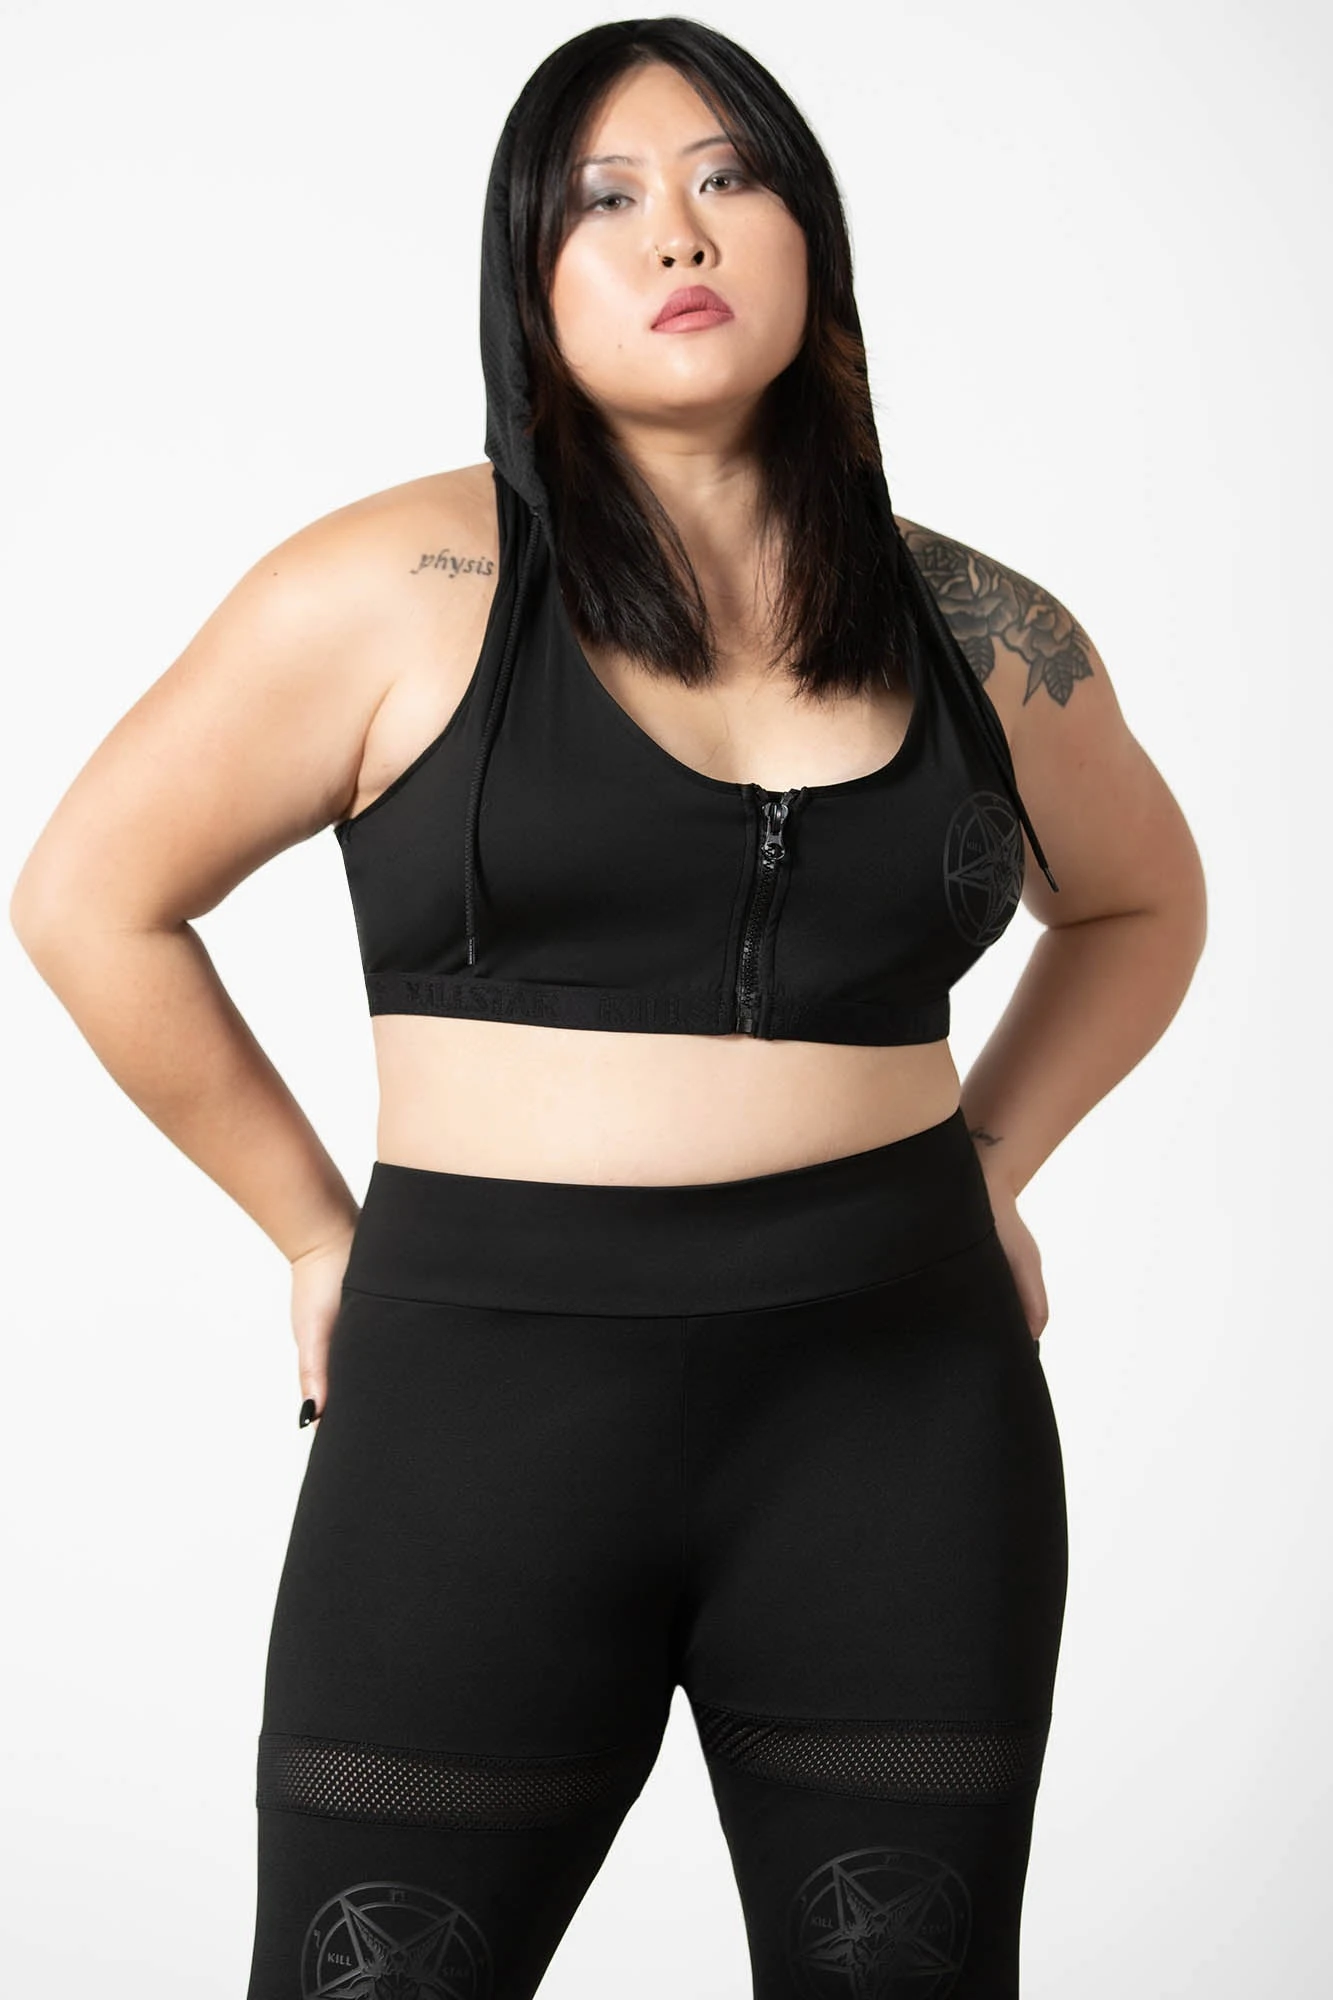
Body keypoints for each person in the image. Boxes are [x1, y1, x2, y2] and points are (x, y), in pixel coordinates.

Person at [10, 18, 1207, 1999]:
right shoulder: (394, 584)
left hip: (900, 1411)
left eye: (731, 179)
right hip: (478, 1413)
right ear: (528, 272)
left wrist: (990, 1161)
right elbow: (87, 901)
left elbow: (1146, 900)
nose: (680, 234)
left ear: (810, 238)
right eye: (607, 198)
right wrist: (312, 1229)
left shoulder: (978, 627)